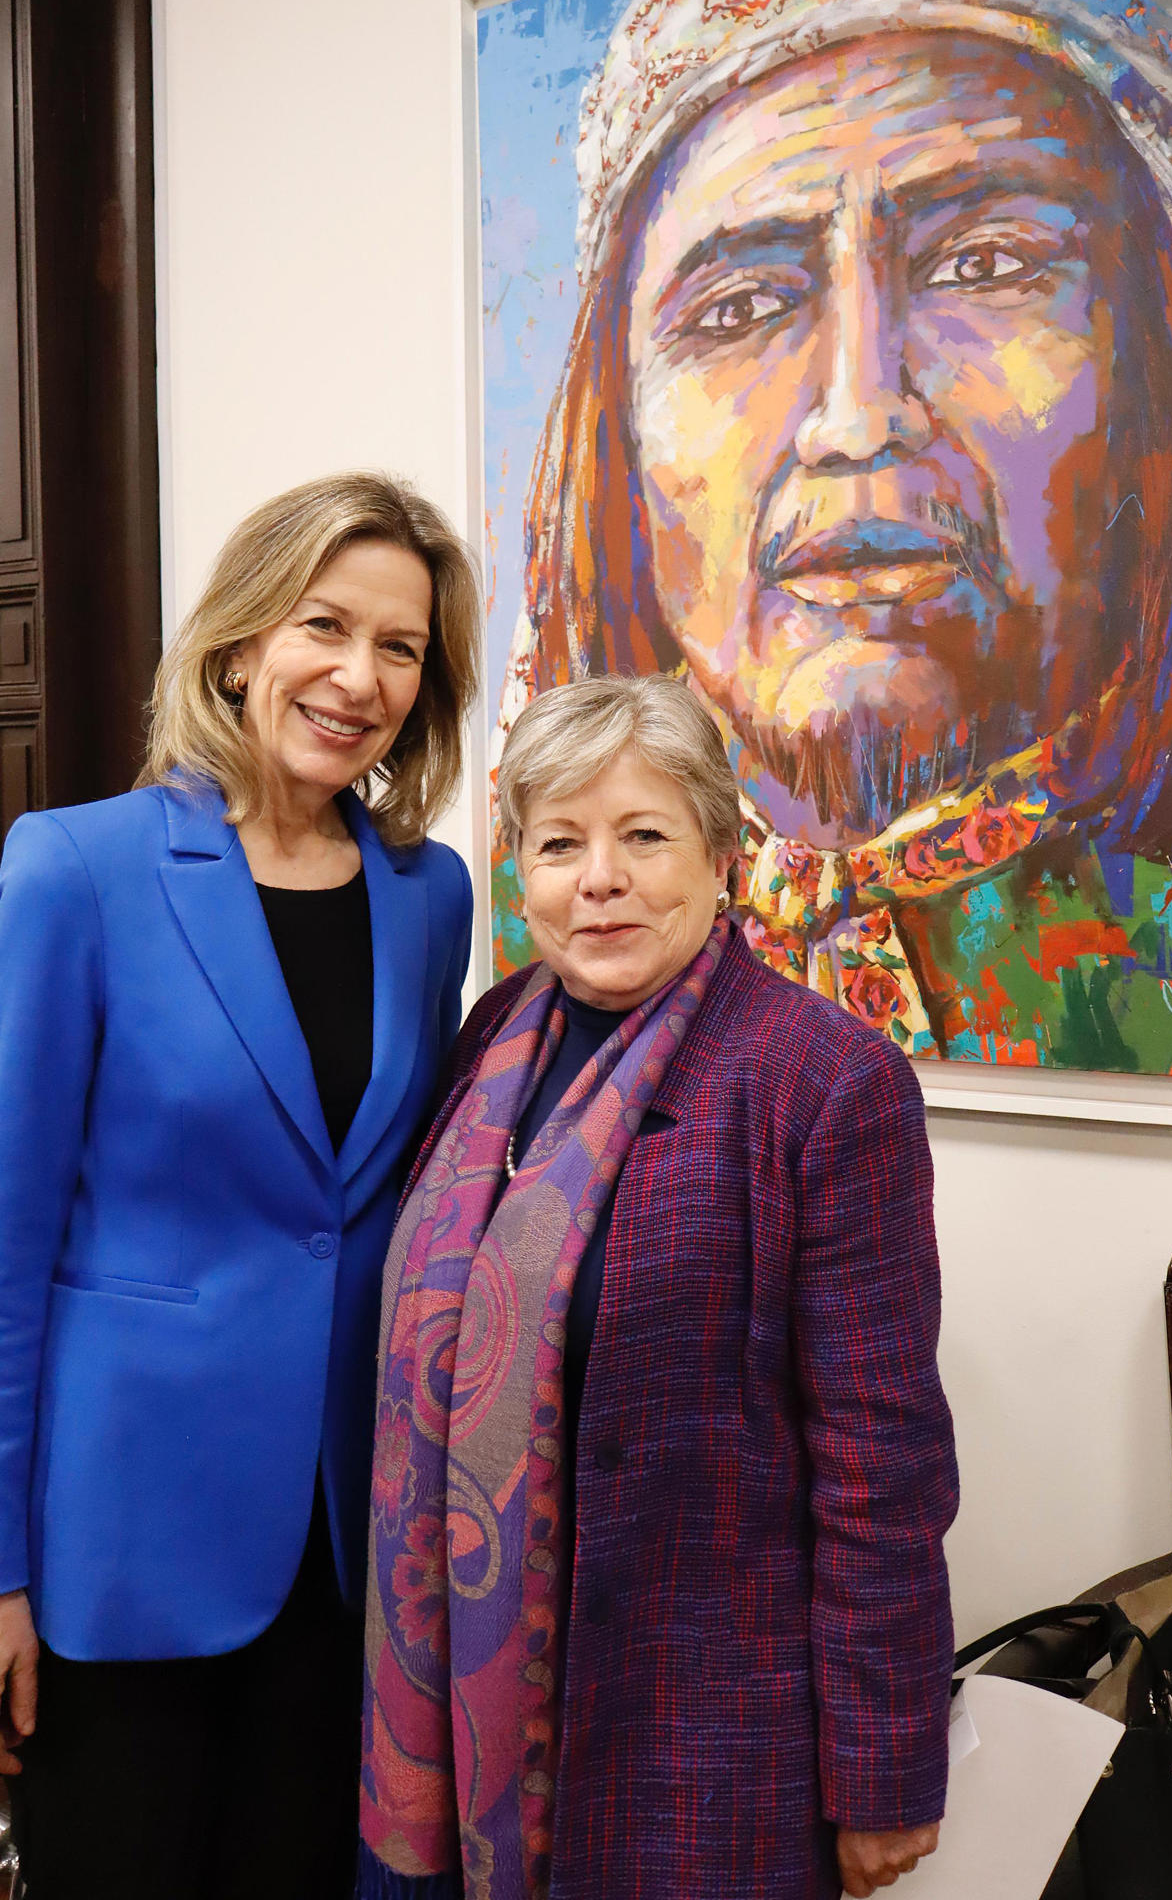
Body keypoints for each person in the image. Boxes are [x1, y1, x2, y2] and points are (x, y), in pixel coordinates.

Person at [497, 0, 1172, 1083]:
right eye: (738, 308)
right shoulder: (517, 1040)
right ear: (614, 448)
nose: (855, 418)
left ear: (1167, 369)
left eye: (984, 264)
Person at [358, 674, 958, 1900]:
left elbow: (880, 1462)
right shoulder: (491, 1038)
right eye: (560, 842)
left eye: (643, 836)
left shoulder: (824, 1084)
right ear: (518, 870)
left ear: (720, 856)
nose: (599, 878)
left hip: (699, 1731)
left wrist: (883, 1771)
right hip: (458, 1716)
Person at [0, 472, 481, 1899]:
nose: (359, 677)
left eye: (401, 648)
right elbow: (6, 1243)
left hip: (348, 1532)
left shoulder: (430, 893)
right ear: (239, 642)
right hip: (123, 1543)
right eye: (325, 626)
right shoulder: (75, 868)